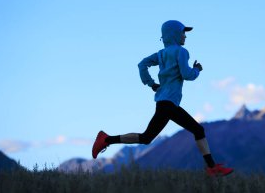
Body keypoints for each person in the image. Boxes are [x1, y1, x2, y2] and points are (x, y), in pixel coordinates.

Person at [92, 20, 233, 176]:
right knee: (197, 129)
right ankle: (212, 168)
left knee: (147, 138)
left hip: (163, 103)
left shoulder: (161, 54)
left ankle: (106, 140)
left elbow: (142, 64)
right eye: (183, 33)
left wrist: (151, 84)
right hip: (169, 104)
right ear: (175, 34)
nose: (185, 36)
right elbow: (187, 74)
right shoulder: (181, 52)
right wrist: (197, 70)